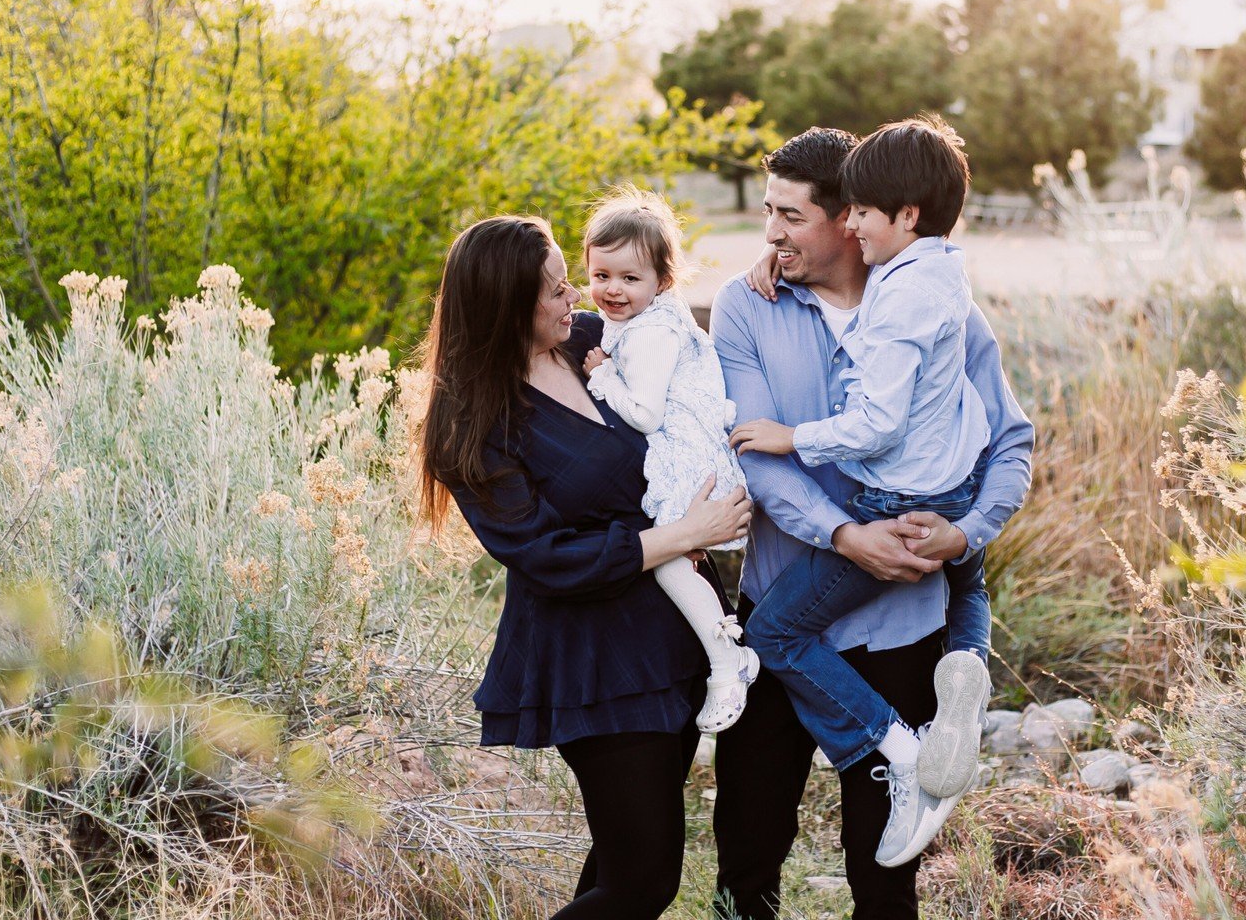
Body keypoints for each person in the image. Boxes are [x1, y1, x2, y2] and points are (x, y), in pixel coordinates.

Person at [711, 127, 1034, 917]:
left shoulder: (937, 306)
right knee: (747, 847)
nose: (772, 233)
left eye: (792, 216)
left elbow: (1011, 439)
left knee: (885, 874)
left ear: (850, 218)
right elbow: (759, 456)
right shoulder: (745, 306)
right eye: (768, 213)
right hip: (784, 598)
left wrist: (968, 533)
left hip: (902, 627)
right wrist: (846, 536)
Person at [415, 214, 752, 919]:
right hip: (595, 660)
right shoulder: (472, 424)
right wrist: (688, 531)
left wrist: (765, 282)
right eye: (557, 288)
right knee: (643, 882)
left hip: (678, 632)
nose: (579, 296)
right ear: (509, 307)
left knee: (619, 860)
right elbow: (547, 558)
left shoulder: (593, 345)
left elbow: (672, 335)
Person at [579, 187, 759, 733]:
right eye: (601, 274)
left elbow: (645, 414)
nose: (612, 290)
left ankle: (728, 662)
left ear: (662, 281)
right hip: (684, 447)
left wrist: (601, 375)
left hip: (684, 453)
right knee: (675, 560)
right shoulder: (647, 318)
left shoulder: (653, 332)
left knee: (668, 561)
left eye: (630, 279)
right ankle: (726, 656)